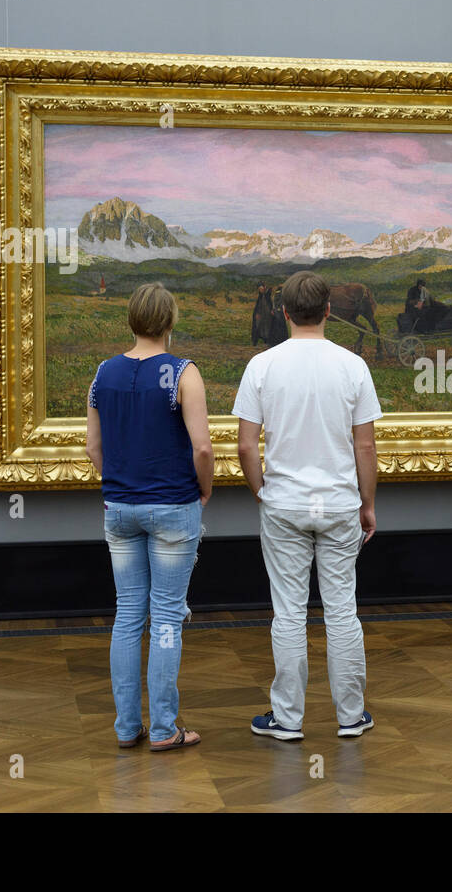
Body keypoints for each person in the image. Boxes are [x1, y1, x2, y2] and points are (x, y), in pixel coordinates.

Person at [233, 270, 381, 741]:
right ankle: (351, 716)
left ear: (283, 312)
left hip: (284, 504)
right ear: (330, 310)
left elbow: (245, 447)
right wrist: (368, 504)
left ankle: (288, 719)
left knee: (289, 612)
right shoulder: (352, 367)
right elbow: (365, 448)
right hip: (339, 504)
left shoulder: (262, 366)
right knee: (342, 610)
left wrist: (261, 491)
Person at [85, 282, 214, 752]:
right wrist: (205, 490)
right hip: (174, 509)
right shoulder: (184, 373)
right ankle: (163, 729)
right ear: (170, 321)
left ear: (132, 319)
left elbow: (93, 447)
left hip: (119, 510)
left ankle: (125, 728)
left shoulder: (104, 373)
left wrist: (121, 487)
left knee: (126, 617)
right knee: (165, 618)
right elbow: (202, 447)